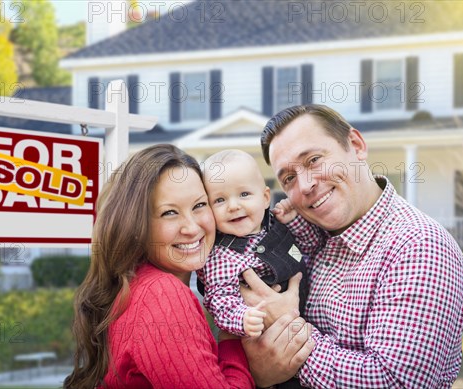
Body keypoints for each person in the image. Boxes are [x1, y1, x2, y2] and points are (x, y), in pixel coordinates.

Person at [240, 104, 463, 388]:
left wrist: (288, 331)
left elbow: (394, 382)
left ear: (356, 145)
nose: (304, 185)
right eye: (289, 178)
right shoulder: (309, 237)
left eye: (314, 159)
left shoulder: (418, 246)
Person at [63, 144, 313, 389]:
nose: (192, 228)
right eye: (169, 213)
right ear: (135, 225)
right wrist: (246, 358)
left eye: (199, 205)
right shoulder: (162, 295)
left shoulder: (140, 283)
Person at [197, 149, 309, 339]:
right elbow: (219, 301)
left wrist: (293, 221)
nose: (233, 206)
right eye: (220, 200)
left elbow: (306, 250)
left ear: (265, 198)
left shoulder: (275, 225)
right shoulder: (221, 256)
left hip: (309, 318)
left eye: (244, 194)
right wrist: (242, 318)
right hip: (265, 334)